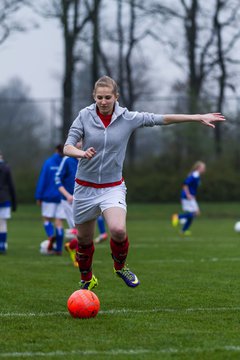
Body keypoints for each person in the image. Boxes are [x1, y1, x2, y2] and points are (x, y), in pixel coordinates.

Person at [63, 75, 225, 290]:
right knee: (84, 240)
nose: (103, 101)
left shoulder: (128, 118)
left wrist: (196, 117)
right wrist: (81, 153)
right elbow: (67, 147)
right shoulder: (84, 116)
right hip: (84, 188)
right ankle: (87, 279)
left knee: (118, 230)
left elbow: (162, 118)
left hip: (112, 188)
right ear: (94, 96)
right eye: (99, 97)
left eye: (107, 97)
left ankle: (120, 267)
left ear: (116, 97)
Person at [54, 151, 108, 266]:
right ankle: (77, 256)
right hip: (69, 201)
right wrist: (67, 195)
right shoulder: (67, 160)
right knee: (78, 229)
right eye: (79, 141)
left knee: (86, 230)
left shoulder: (89, 159)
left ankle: (72, 246)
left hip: (85, 199)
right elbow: (57, 179)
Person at [35, 144, 66, 255]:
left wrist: (38, 196)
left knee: (47, 219)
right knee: (59, 222)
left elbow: (42, 180)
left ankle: (50, 235)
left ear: (56, 150)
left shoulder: (49, 163)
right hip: (62, 196)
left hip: (48, 197)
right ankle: (58, 249)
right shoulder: (66, 162)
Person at [172, 161, 206, 235]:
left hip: (191, 196)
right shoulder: (194, 175)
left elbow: (192, 187)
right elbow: (185, 184)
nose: (204, 169)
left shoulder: (197, 175)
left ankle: (183, 230)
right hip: (187, 197)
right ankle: (177, 217)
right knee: (196, 213)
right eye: (203, 168)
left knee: (193, 214)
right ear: (198, 168)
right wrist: (188, 194)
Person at [0, 150, 17, 254]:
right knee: (2, 223)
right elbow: (11, 186)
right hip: (5, 198)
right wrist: (14, 202)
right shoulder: (6, 168)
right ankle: (2, 245)